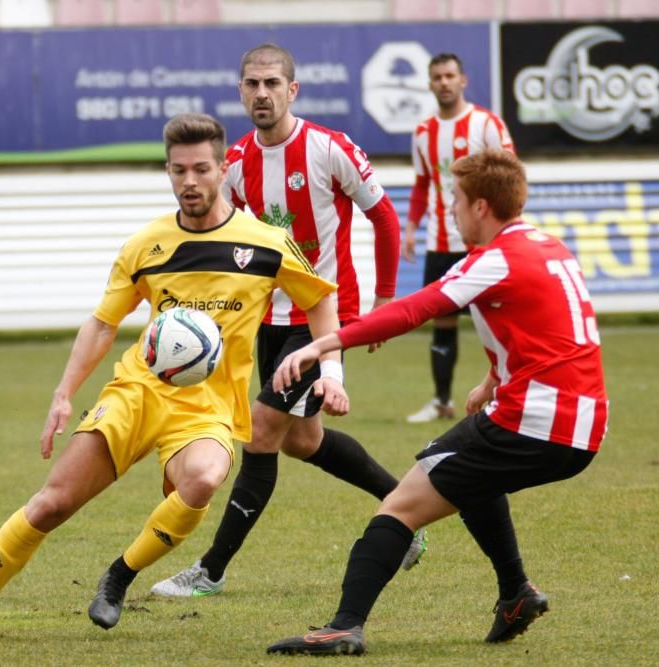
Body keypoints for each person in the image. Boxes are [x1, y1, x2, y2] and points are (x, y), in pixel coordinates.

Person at [0, 112, 345, 642]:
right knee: (52, 503)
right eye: (177, 171)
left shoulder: (266, 244)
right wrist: (62, 394)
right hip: (137, 394)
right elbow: (103, 324)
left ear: (223, 169)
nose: (189, 182)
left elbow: (322, 300)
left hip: (208, 410)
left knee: (206, 477)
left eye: (201, 169)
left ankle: (119, 575)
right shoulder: (146, 245)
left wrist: (330, 368)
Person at [267, 150, 607, 656]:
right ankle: (515, 592)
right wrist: (492, 380)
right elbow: (546, 328)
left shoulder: (493, 259)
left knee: (401, 506)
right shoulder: (549, 246)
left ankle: (344, 626)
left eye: (456, 199)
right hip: (585, 426)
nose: (451, 209)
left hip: (535, 420)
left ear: (482, 207)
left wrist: (323, 343)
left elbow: (415, 308)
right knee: (460, 465)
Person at [152, 43, 424, 599]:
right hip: (267, 321)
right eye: (252, 83)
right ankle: (407, 511)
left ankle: (212, 569)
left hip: (322, 318)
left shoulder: (330, 149)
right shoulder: (238, 163)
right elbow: (221, 234)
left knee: (260, 433)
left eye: (272, 83)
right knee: (303, 440)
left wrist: (386, 302)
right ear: (240, 91)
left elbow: (386, 218)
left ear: (292, 90)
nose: (261, 93)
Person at [402, 53, 515, 424]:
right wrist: (411, 228)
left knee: (499, 322)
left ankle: (507, 393)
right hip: (440, 241)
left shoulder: (486, 124)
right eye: (437, 77)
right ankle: (441, 401)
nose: (444, 82)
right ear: (430, 83)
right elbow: (422, 185)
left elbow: (511, 174)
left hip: (483, 243)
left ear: (463, 80)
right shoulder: (422, 133)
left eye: (450, 75)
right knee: (443, 323)